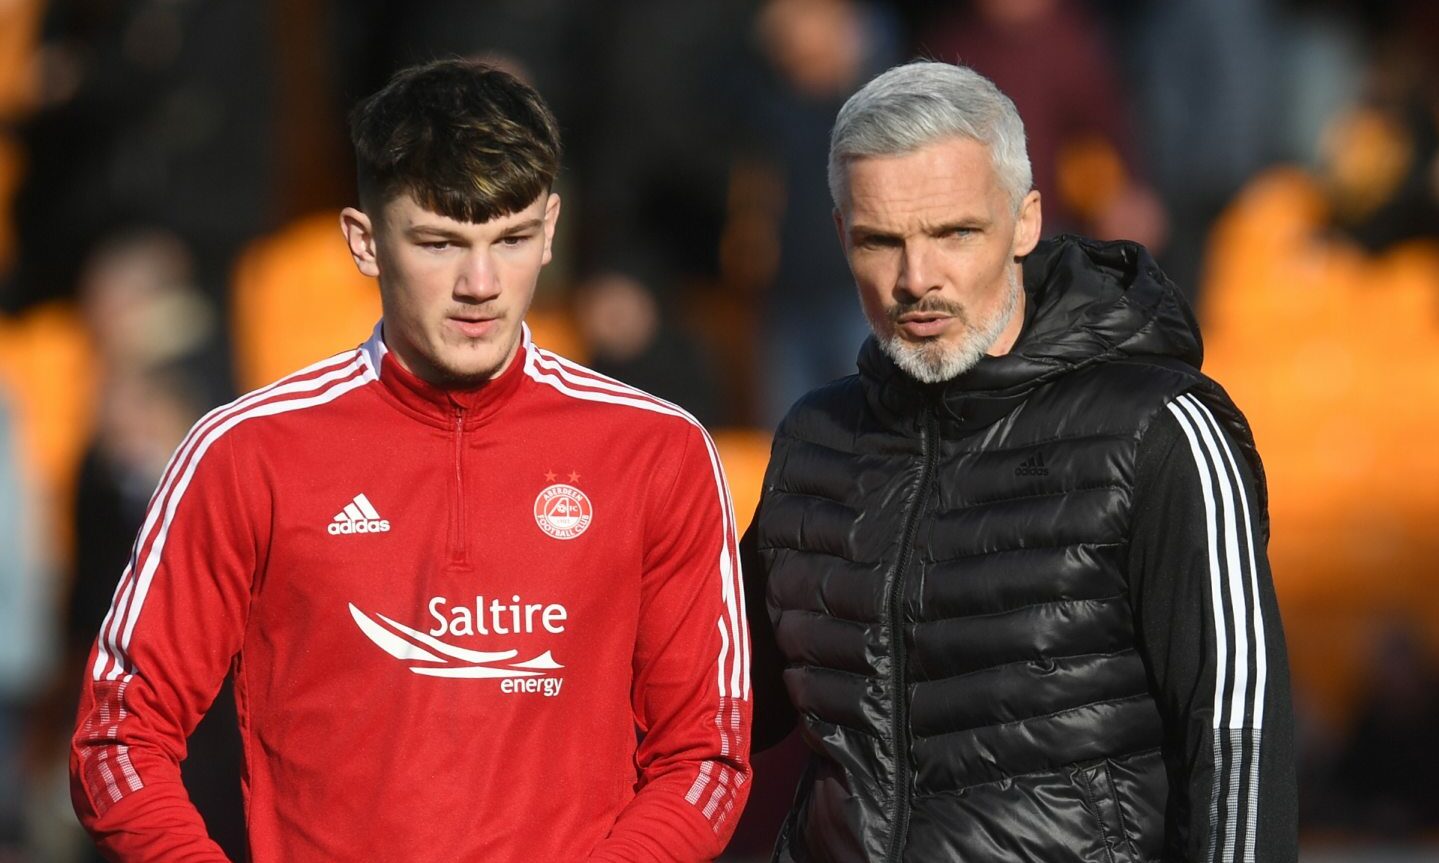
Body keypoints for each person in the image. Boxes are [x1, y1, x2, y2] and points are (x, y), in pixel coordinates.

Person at [70, 59, 751, 862]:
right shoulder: (247, 452)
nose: (481, 283)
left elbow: (705, 754)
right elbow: (117, 735)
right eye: (439, 242)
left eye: (514, 239)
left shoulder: (655, 450)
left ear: (554, 229)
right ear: (364, 241)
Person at [743, 61, 1295, 861]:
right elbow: (711, 705)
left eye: (953, 232)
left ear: (1026, 220)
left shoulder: (1159, 428)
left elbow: (1237, 733)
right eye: (879, 240)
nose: (915, 279)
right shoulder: (812, 441)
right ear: (839, 236)